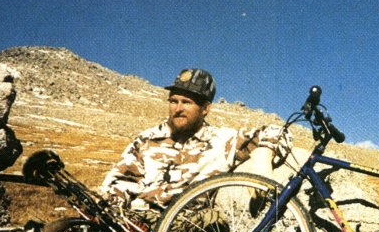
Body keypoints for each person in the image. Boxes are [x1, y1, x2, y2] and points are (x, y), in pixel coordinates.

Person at [99, 68, 289, 221]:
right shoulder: (147, 140)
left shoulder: (222, 141)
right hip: (135, 224)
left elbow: (277, 131)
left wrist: (263, 158)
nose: (178, 109)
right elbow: (119, 183)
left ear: (205, 108)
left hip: (179, 231)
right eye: (173, 101)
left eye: (186, 102)